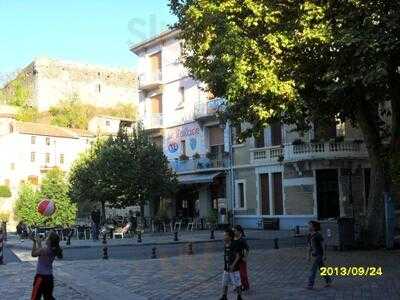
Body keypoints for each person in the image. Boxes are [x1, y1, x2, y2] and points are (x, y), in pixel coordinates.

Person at [30, 230, 63, 300]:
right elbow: (41, 252)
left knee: (35, 297)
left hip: (40, 277)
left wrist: (34, 242)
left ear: (49, 241)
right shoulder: (53, 250)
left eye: (47, 237)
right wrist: (39, 243)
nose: (46, 238)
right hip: (49, 277)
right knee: (48, 297)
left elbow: (33, 254)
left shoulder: (43, 250)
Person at [306, 220, 332, 289]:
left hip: (319, 255)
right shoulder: (309, 235)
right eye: (308, 225)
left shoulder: (318, 235)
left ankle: (310, 284)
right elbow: (309, 246)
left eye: (310, 225)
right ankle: (328, 280)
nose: (308, 226)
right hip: (314, 255)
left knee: (313, 269)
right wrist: (308, 256)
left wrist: (324, 255)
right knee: (322, 268)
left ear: (314, 227)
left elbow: (323, 244)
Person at [220, 228, 243, 300]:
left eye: (225, 235)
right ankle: (224, 296)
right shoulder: (226, 245)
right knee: (224, 282)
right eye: (223, 235)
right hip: (226, 268)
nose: (224, 237)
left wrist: (233, 265)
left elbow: (238, 256)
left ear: (230, 237)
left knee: (237, 283)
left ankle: (239, 297)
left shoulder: (234, 244)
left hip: (234, 268)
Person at [234, 225, 250, 291]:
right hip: (235, 259)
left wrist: (245, 257)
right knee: (236, 274)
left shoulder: (242, 239)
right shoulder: (234, 238)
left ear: (239, 231)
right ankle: (238, 286)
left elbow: (247, 248)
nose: (234, 232)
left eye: (235, 231)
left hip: (242, 259)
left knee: (243, 274)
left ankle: (245, 285)